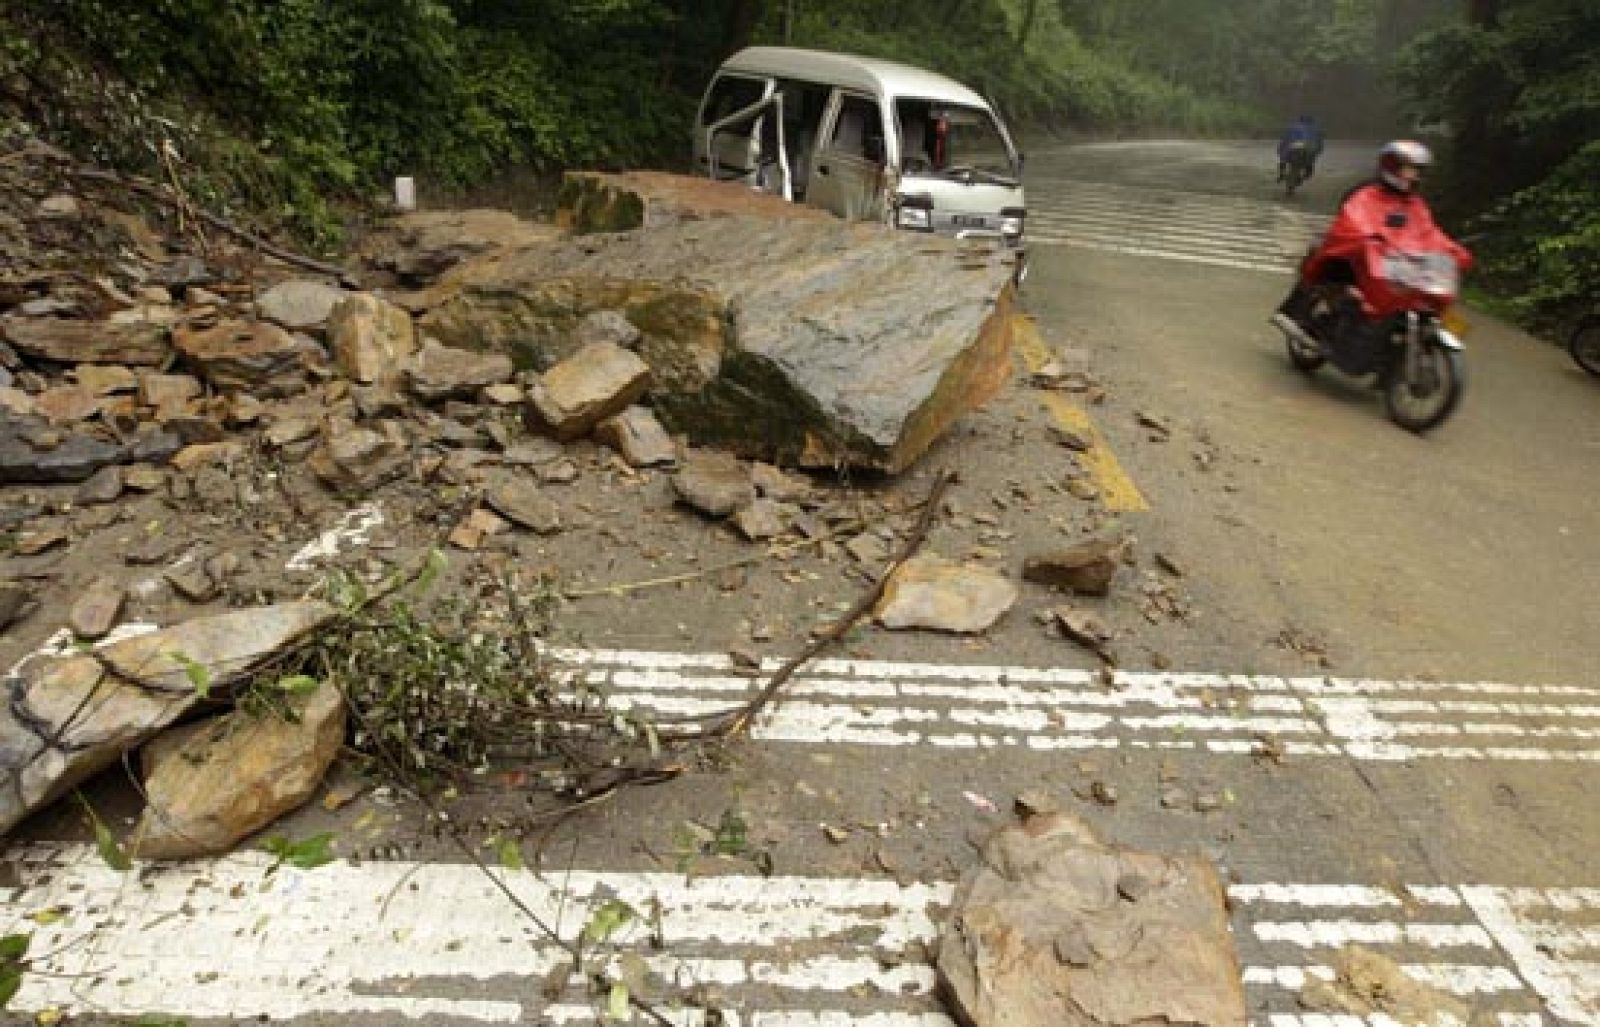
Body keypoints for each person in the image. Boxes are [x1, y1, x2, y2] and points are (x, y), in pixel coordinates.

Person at [1277, 140, 1472, 329]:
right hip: (1359, 259)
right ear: (1392, 167)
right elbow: (1353, 222)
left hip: (1395, 263)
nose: (1414, 176)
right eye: (1409, 169)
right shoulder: (1365, 195)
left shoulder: (1416, 204)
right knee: (1344, 282)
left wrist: (1450, 250)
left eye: (1417, 170)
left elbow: (1429, 232)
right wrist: (1370, 239)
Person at [1277, 114, 1325, 181]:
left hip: (1292, 150)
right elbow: (1319, 144)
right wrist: (1317, 151)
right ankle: (1301, 177)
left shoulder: (1292, 127)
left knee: (1283, 160)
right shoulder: (1316, 129)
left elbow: (1284, 140)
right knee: (1309, 163)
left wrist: (1280, 150)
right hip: (1307, 149)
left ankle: (1281, 174)